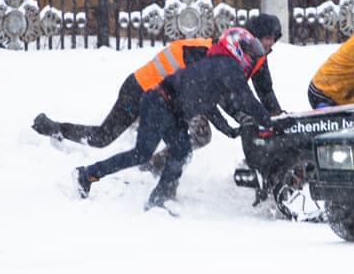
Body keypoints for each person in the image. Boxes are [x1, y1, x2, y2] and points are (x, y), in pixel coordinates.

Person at [75, 27, 272, 211]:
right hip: (158, 104)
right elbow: (246, 99)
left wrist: (227, 129)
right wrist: (270, 122)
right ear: (234, 46)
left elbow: (210, 103)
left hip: (171, 110)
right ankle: (87, 174)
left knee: (182, 150)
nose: (250, 57)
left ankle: (159, 200)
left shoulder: (218, 64)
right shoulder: (226, 65)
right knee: (141, 154)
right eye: (248, 51)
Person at [31, 12, 284, 145]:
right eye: (267, 37)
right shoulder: (214, 54)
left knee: (196, 137)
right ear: (252, 36)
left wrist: (276, 117)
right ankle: (52, 128)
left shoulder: (254, 57)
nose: (271, 43)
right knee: (102, 138)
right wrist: (232, 123)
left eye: (275, 38)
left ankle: (151, 163)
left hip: (168, 98)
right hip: (141, 90)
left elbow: (263, 91)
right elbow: (218, 97)